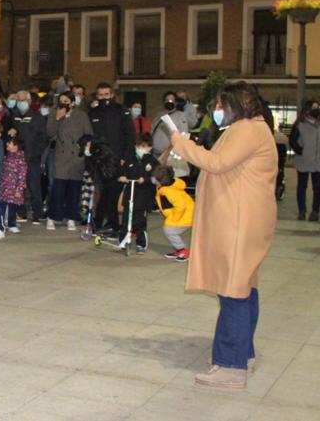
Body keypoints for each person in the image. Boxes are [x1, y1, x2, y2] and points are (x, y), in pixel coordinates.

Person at [166, 82, 277, 390]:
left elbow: (216, 163)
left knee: (233, 292)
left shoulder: (246, 130)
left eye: (219, 105)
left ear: (234, 105)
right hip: (244, 219)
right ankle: (244, 354)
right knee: (245, 287)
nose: (216, 111)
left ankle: (231, 365)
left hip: (240, 222)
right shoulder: (253, 128)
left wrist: (180, 142)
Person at [46, 91, 93, 231]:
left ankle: (71, 217)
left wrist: (83, 146)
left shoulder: (81, 115)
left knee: (74, 188)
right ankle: (53, 216)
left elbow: (89, 133)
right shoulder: (54, 114)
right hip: (61, 156)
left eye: (66, 101)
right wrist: (57, 118)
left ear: (72, 103)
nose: (63, 104)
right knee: (58, 188)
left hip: (77, 157)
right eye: (60, 101)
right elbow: (49, 133)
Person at [11, 90, 48, 223]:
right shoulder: (14, 116)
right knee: (18, 186)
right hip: (17, 158)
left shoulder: (37, 117)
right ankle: (21, 212)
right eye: (19, 100)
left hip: (32, 157)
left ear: (29, 101)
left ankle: (37, 212)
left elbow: (43, 137)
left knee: (34, 185)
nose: (21, 103)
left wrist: (36, 154)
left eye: (24, 100)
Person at [118, 133, 158, 252]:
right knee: (126, 219)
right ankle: (123, 240)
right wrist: (122, 177)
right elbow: (121, 173)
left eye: (143, 146)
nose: (140, 149)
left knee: (139, 221)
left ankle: (141, 243)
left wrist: (145, 179)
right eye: (138, 146)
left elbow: (157, 178)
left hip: (143, 195)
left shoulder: (152, 162)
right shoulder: (130, 159)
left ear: (150, 147)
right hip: (130, 193)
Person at [80, 136, 121, 236]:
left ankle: (112, 227)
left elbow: (103, 157)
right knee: (103, 205)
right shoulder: (94, 152)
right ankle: (99, 225)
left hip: (113, 178)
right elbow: (92, 167)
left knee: (109, 204)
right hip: (106, 180)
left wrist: (91, 155)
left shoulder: (100, 148)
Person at [153, 164, 194, 261]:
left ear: (160, 181)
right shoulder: (170, 185)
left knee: (169, 230)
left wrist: (174, 219)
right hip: (186, 212)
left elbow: (180, 206)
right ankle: (179, 250)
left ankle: (183, 251)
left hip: (185, 215)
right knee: (170, 230)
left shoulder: (169, 191)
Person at [88, 82, 136, 163]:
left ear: (111, 95)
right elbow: (89, 135)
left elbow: (130, 134)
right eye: (101, 95)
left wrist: (125, 156)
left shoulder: (121, 110)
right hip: (98, 158)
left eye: (106, 94)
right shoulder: (92, 113)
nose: (104, 97)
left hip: (118, 157)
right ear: (97, 96)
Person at [290, 100, 320, 221]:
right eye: (314, 107)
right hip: (303, 160)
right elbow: (292, 140)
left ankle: (315, 211)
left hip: (318, 161)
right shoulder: (299, 125)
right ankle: (302, 211)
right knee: (302, 186)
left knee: (317, 188)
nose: (316, 110)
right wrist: (301, 151)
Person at [0, 136, 27, 235]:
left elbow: (22, 175)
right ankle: (0, 224)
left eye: (9, 143)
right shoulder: (6, 157)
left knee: (12, 207)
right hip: (4, 187)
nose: (7, 144)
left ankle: (12, 224)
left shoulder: (20, 159)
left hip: (14, 189)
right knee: (2, 206)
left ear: (16, 146)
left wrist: (19, 189)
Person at [151, 92, 190, 157]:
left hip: (169, 154)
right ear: (164, 102)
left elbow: (184, 133)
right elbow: (152, 129)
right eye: (167, 100)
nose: (169, 101)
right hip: (155, 152)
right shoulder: (159, 114)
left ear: (176, 102)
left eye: (172, 100)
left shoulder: (180, 115)